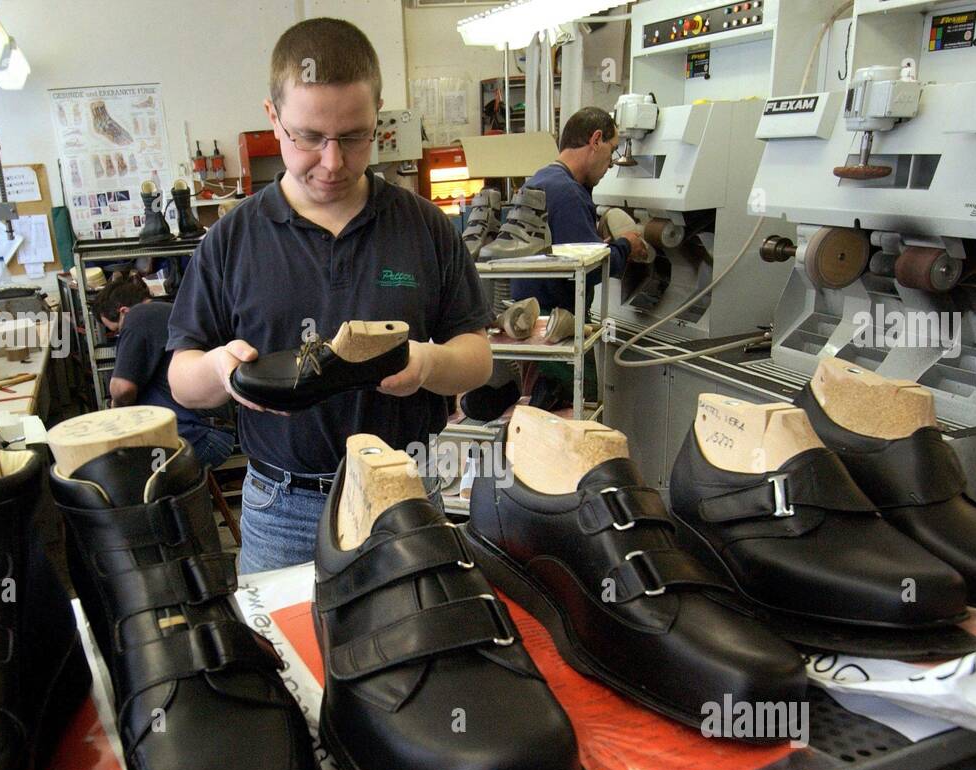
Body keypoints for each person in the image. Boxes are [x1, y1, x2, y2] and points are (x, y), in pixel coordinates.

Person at [167, 18, 492, 573]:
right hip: (282, 507)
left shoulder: (424, 226)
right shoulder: (232, 238)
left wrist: (426, 362)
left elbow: (477, 358)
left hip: (405, 493)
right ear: (273, 118)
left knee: (417, 651)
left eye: (354, 136)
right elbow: (182, 375)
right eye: (310, 137)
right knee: (289, 660)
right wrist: (222, 370)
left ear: (378, 115)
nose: (333, 161)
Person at [506, 107, 646, 408]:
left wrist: (598, 243)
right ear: (595, 140)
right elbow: (589, 270)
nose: (610, 163)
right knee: (572, 415)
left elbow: (566, 251)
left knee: (541, 418)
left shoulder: (541, 179)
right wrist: (625, 246)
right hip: (557, 330)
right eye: (611, 150)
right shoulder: (568, 192)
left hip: (534, 325)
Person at [95, 271, 235, 469]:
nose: (121, 336)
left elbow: (122, 389)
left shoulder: (138, 315)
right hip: (212, 433)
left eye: (117, 330)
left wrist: (116, 419)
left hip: (196, 434)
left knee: (120, 473)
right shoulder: (172, 313)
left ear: (123, 311)